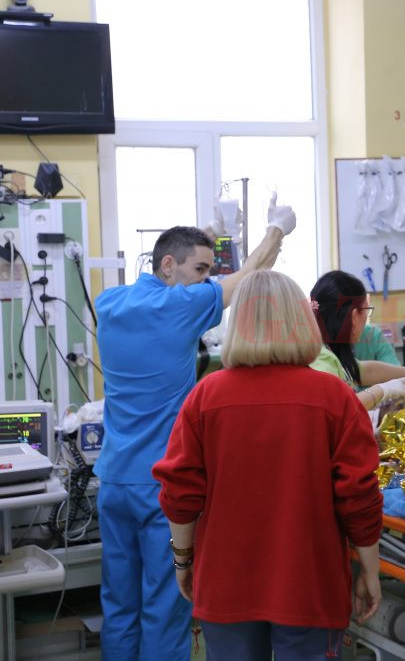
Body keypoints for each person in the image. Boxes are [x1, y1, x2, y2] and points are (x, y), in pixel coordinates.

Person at [95, 203, 296, 661]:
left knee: (119, 603)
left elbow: (183, 263)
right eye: (201, 269)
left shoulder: (110, 303)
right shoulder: (179, 306)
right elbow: (247, 278)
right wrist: (275, 231)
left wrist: (209, 233)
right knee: (165, 607)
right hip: (157, 485)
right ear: (168, 266)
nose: (207, 278)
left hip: (114, 479)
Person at [153, 270, 382, 660]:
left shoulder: (205, 397)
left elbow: (179, 491)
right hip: (309, 584)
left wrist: (183, 559)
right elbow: (359, 494)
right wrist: (370, 571)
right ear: (300, 320)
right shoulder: (335, 398)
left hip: (226, 582)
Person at [309, 270, 405, 410]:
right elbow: (339, 408)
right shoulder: (322, 362)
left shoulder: (329, 351)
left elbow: (365, 371)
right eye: (366, 311)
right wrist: (381, 391)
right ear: (355, 317)